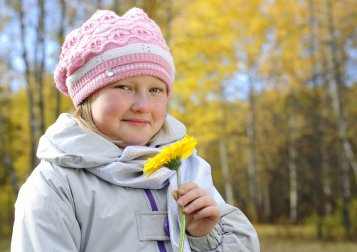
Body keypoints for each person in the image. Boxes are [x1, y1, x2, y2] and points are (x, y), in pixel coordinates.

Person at [11, 7, 260, 252]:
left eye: (155, 90)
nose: (142, 106)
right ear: (87, 95)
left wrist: (204, 236)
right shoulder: (56, 185)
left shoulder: (187, 169)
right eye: (124, 87)